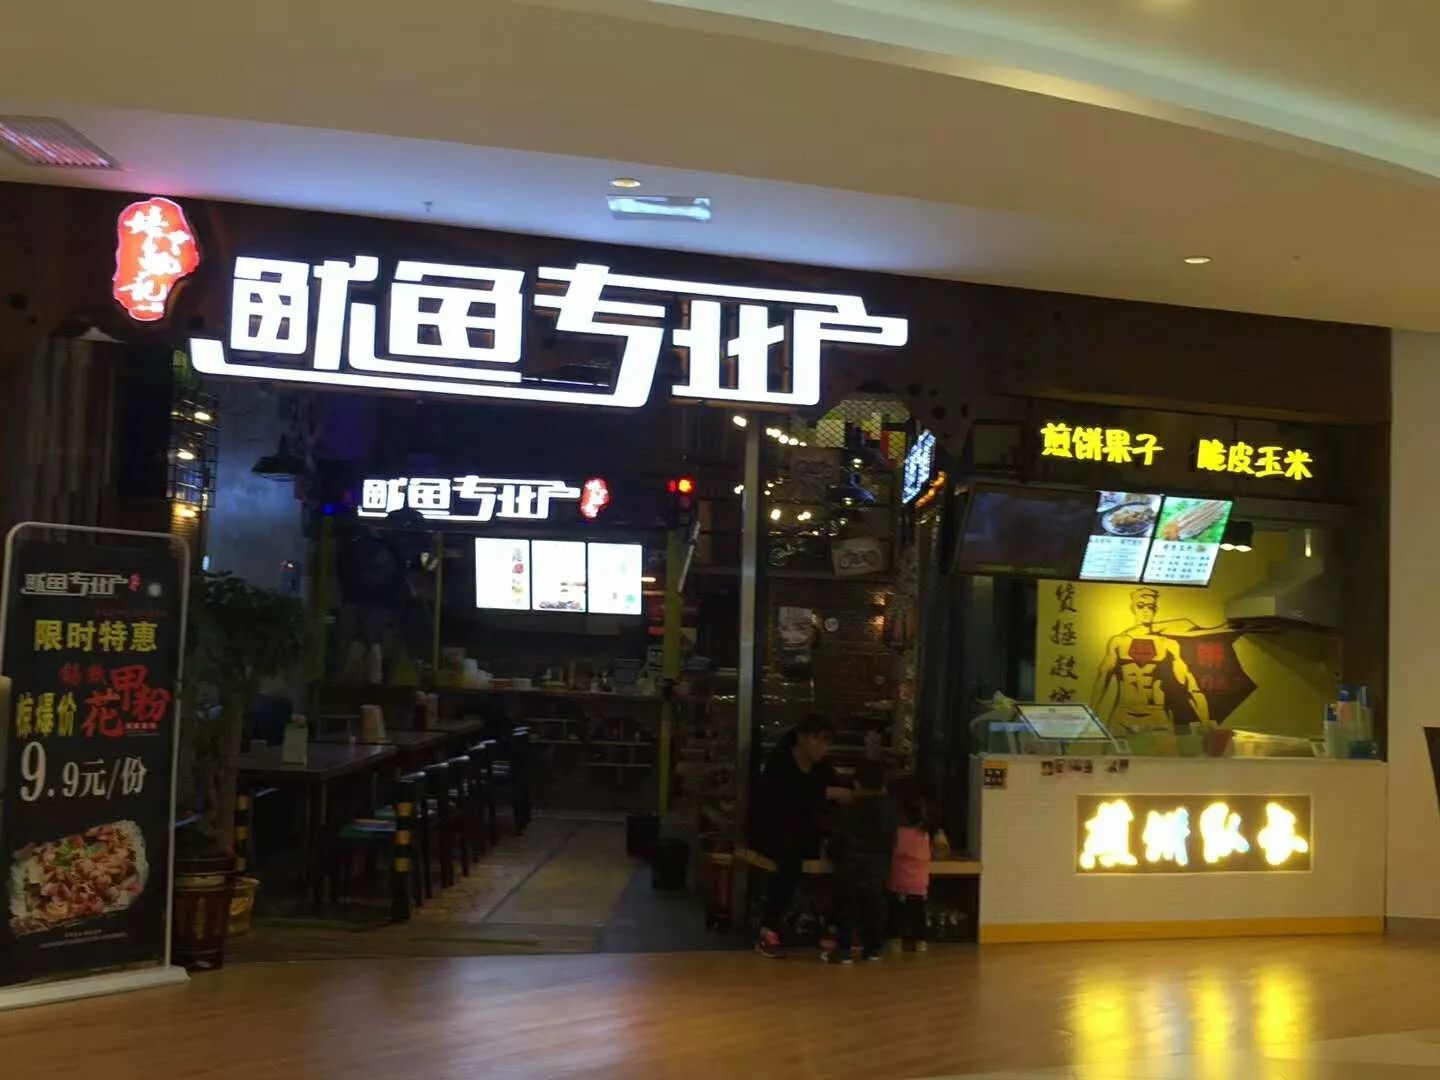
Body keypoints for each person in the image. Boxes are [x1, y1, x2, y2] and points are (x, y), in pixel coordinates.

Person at [751, 713, 851, 959]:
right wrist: (826, 793)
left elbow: (832, 793)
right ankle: (769, 928)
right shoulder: (780, 762)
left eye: (826, 743)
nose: (823, 748)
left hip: (808, 832)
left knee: (845, 856)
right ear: (802, 738)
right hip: (774, 831)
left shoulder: (822, 768)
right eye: (819, 741)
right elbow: (782, 800)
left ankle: (833, 925)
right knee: (790, 862)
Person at [824, 759, 893, 965]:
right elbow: (891, 841)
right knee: (874, 910)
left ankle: (844, 950)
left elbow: (838, 840)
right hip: (877, 871)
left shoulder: (850, 810)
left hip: (849, 869)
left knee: (846, 911)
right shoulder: (890, 811)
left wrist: (831, 853)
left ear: (857, 784)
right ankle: (873, 949)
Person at [887, 794, 932, 953]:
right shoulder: (924, 834)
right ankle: (920, 941)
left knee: (897, 914)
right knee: (918, 914)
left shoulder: (898, 832)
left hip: (899, 882)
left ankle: (895, 940)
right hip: (920, 883)